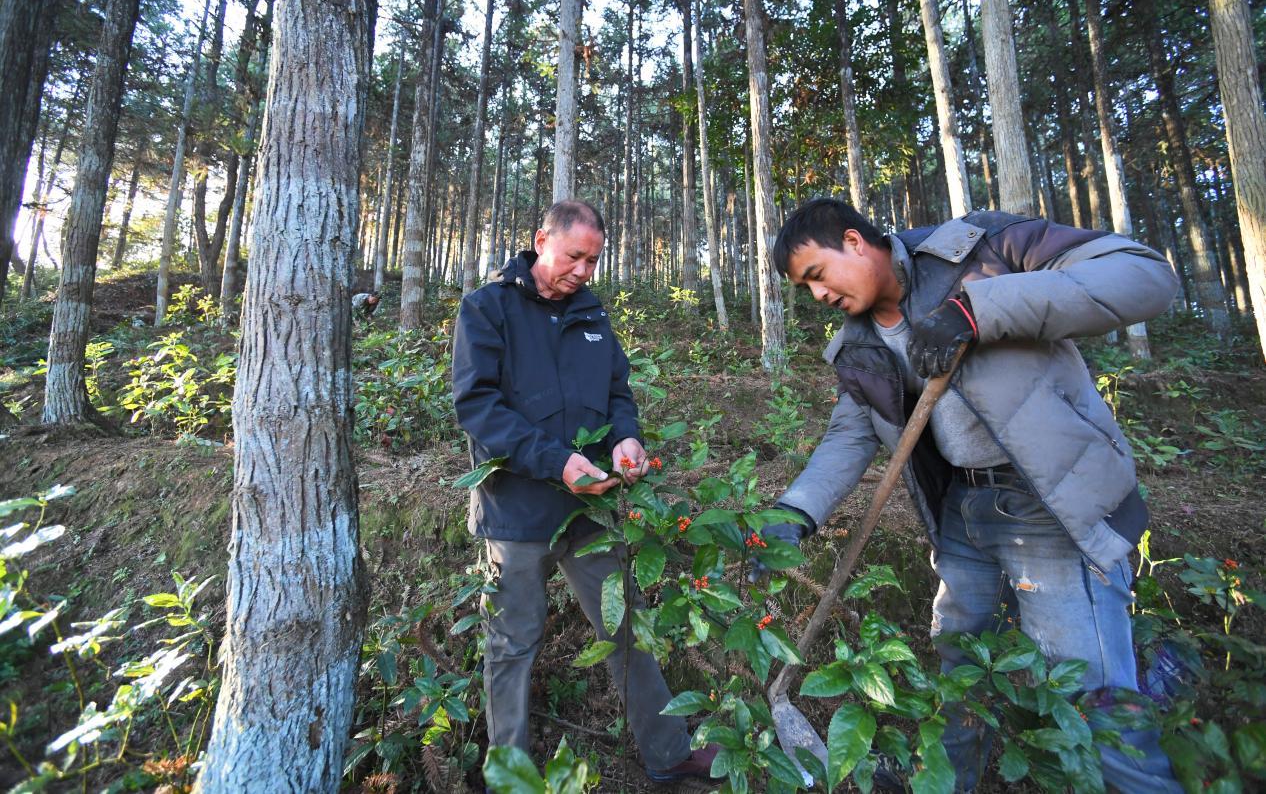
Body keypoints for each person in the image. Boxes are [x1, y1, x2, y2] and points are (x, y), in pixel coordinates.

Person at [760, 199, 1182, 792]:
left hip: (1049, 506)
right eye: (806, 289)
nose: (818, 296)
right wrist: (796, 510)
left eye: (817, 275)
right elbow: (851, 434)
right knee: (961, 668)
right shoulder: (858, 344)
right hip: (962, 511)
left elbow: (1142, 274)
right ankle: (943, 780)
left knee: (1091, 693)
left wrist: (976, 309)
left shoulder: (981, 249)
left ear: (854, 242)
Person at [451, 199, 717, 784]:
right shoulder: (487, 309)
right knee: (512, 645)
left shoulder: (593, 316)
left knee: (626, 627)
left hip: (592, 511)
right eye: (575, 256)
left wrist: (626, 439)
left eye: (593, 261)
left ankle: (669, 755)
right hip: (515, 516)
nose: (583, 271)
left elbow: (618, 391)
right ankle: (509, 775)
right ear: (541, 239)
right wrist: (554, 461)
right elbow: (478, 408)